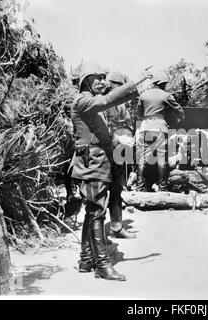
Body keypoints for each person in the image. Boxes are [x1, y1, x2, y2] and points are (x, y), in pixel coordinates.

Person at [69, 61, 150, 280]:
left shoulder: (91, 103)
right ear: (86, 79)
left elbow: (99, 131)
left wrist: (116, 138)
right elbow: (106, 101)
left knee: (92, 211)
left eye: (103, 78)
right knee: (97, 212)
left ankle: (86, 260)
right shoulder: (83, 100)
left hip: (96, 160)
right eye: (97, 78)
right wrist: (136, 81)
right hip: (92, 162)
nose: (103, 82)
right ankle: (102, 265)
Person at [135, 71, 184, 192]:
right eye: (164, 84)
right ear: (161, 83)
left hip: (145, 127)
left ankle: (139, 187)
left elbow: (138, 114)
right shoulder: (166, 95)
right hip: (160, 128)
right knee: (161, 159)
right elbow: (179, 110)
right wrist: (177, 120)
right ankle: (162, 188)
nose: (165, 86)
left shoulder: (143, 95)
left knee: (142, 159)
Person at [103, 70, 136, 239]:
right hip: (102, 152)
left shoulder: (121, 105)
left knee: (116, 189)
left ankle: (116, 227)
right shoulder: (102, 101)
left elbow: (126, 124)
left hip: (117, 151)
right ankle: (98, 234)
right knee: (100, 192)